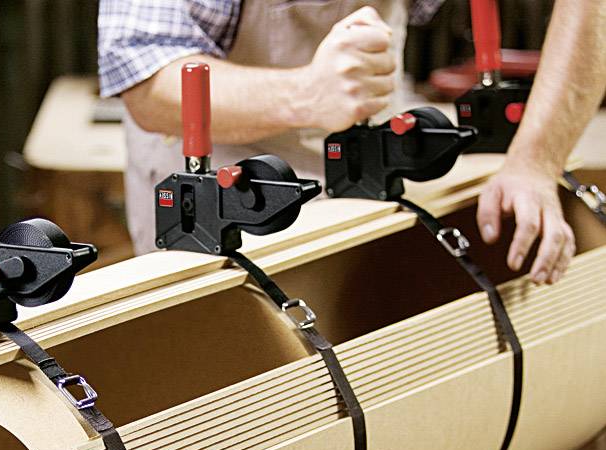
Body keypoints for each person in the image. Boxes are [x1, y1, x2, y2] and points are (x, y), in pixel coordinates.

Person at [98, 0, 606, 285]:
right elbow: (147, 80)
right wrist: (306, 95)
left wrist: (537, 160)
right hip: (220, 210)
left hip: (371, 190)